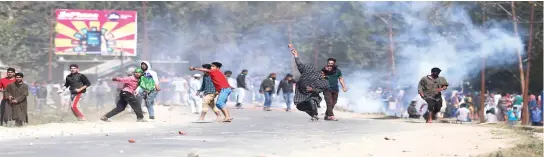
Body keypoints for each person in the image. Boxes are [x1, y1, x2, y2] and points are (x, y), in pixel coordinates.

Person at [289, 44, 329, 121]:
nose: (323, 73)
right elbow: (300, 65)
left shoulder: (324, 80)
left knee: (311, 100)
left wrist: (312, 90)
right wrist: (296, 55)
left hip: (312, 94)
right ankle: (312, 114)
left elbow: (321, 90)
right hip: (302, 93)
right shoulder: (310, 71)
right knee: (299, 106)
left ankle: (315, 115)